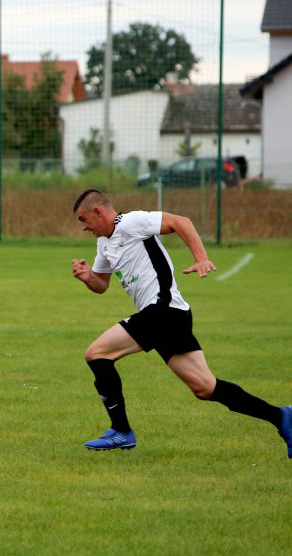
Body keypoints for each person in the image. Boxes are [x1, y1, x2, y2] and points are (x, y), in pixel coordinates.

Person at [70, 188, 292, 455]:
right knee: (205, 387)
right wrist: (87, 278)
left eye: (83, 220)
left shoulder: (132, 222)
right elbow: (101, 285)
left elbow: (180, 222)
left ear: (98, 211)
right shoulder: (104, 243)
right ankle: (282, 418)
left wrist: (201, 258)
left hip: (162, 311)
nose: (83, 227)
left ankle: (121, 431)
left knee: (96, 354)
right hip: (171, 316)